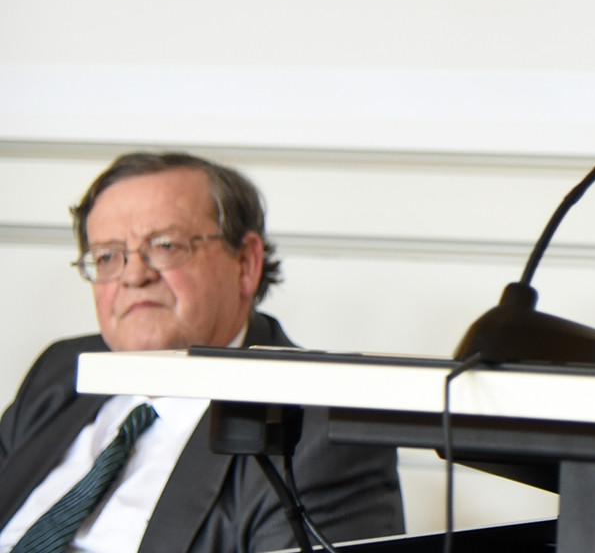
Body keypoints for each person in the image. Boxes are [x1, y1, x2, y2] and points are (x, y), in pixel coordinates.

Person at [0, 152, 403, 553]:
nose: (134, 275)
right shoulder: (60, 369)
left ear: (246, 263)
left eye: (165, 245)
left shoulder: (319, 430)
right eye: (107, 256)